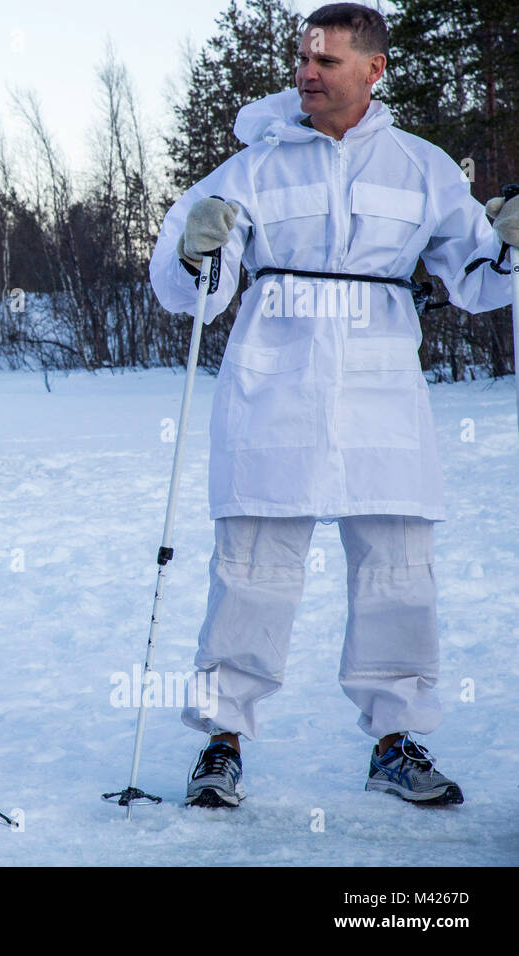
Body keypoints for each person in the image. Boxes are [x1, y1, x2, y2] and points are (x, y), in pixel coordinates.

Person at [149, 2, 518, 808]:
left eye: (326, 62)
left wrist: (512, 245)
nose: (307, 74)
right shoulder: (250, 167)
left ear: (374, 69)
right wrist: (193, 248)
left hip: (382, 390)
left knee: (398, 571)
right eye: (302, 61)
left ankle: (394, 739)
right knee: (251, 571)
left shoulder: (423, 168)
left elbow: (478, 280)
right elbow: (190, 293)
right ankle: (222, 739)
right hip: (272, 385)